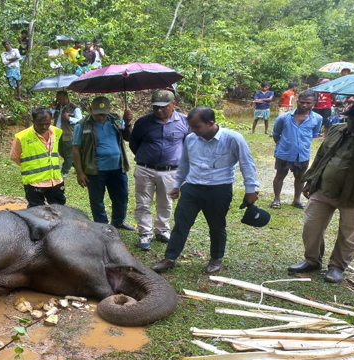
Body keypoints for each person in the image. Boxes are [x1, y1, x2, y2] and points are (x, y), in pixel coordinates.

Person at [152, 107, 259, 274]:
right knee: (181, 223)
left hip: (219, 189)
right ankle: (170, 258)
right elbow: (184, 163)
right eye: (191, 127)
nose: (193, 131)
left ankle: (216, 259)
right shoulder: (190, 139)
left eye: (197, 126)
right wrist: (177, 184)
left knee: (216, 226)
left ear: (211, 123)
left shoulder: (233, 139)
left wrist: (250, 190)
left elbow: (247, 164)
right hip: (192, 187)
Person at [288, 100, 354, 283]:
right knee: (311, 225)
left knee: (349, 234)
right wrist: (310, 180)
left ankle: (337, 267)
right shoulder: (338, 129)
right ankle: (312, 260)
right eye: (350, 119)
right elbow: (322, 155)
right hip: (324, 189)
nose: (353, 124)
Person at [129, 90, 190, 251]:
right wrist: (149, 157)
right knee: (143, 202)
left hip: (171, 171)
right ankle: (144, 233)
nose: (158, 110)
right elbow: (134, 144)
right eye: (155, 107)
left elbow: (189, 144)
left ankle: (162, 230)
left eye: (163, 107)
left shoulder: (184, 121)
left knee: (166, 202)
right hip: (145, 169)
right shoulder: (143, 122)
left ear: (173, 104)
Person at [72, 96, 135, 230]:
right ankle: (102, 226)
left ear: (109, 110)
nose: (100, 117)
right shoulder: (82, 125)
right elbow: (76, 150)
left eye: (103, 114)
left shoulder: (116, 119)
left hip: (118, 167)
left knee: (121, 196)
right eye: (97, 114)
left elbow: (128, 137)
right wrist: (79, 172)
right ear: (90, 110)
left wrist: (128, 122)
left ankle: (118, 221)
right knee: (97, 200)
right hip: (95, 169)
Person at [270, 90, 322, 210]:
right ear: (297, 102)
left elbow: (314, 134)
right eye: (302, 102)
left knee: (300, 177)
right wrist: (282, 145)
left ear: (314, 104)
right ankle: (276, 199)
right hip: (284, 152)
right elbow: (276, 134)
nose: (304, 105)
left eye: (308, 103)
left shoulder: (317, 119)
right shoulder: (284, 118)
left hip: (303, 153)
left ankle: (296, 200)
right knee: (280, 175)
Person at [10, 108, 66, 207]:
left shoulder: (57, 132)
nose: (44, 127)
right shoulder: (22, 137)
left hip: (55, 180)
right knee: (36, 211)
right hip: (34, 182)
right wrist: (31, 166)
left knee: (60, 209)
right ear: (33, 121)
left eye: (47, 123)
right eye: (40, 124)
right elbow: (15, 157)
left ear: (51, 121)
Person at [50, 91, 82, 177]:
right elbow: (50, 116)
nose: (58, 101)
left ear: (66, 97)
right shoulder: (57, 107)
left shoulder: (74, 108)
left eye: (60, 99)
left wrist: (69, 118)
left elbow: (80, 120)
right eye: (57, 99)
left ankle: (64, 172)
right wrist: (52, 109)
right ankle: (78, 166)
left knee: (68, 154)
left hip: (68, 134)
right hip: (57, 134)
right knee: (62, 153)